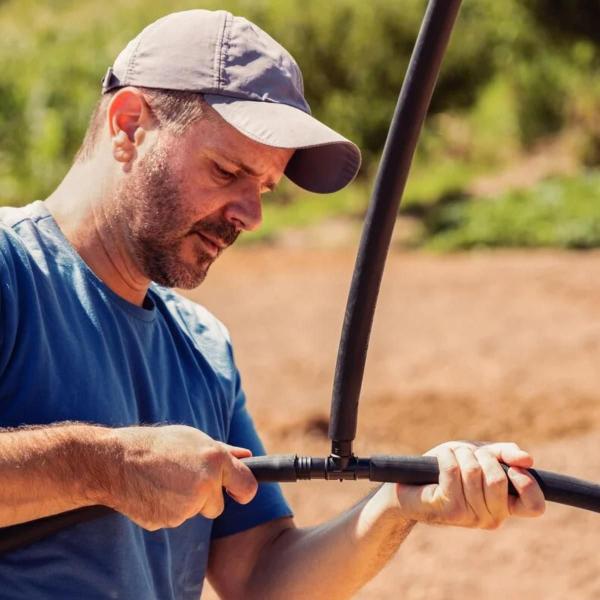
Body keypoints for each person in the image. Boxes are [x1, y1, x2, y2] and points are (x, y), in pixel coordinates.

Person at [0, 9, 545, 600]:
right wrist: (108, 467)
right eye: (227, 170)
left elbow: (260, 574)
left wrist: (398, 502)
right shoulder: (10, 269)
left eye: (262, 188)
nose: (251, 216)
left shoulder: (202, 348)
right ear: (129, 124)